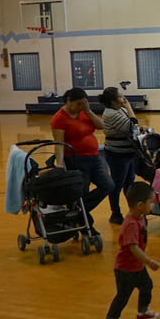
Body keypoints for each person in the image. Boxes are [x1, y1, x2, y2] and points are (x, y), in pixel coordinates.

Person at [100, 182, 160, 319]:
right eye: (151, 202)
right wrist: (149, 262)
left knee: (146, 286)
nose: (153, 205)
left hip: (137, 267)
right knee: (122, 297)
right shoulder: (131, 224)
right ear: (140, 205)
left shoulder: (140, 217)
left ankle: (142, 312)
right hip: (125, 270)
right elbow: (133, 248)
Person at [51, 88, 114, 233]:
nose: (81, 106)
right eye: (78, 104)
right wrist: (59, 163)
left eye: (83, 103)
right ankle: (86, 226)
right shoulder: (59, 119)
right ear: (69, 102)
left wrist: (88, 111)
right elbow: (59, 144)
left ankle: (76, 212)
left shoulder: (84, 112)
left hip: (95, 157)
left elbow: (101, 126)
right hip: (76, 160)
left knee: (108, 185)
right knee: (82, 192)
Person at [100, 87, 139, 225]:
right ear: (113, 101)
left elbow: (135, 128)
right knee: (117, 184)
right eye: (121, 96)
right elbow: (132, 126)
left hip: (128, 153)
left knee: (129, 183)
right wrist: (129, 108)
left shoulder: (119, 110)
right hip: (117, 154)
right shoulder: (111, 113)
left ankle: (133, 211)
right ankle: (115, 213)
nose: (124, 99)